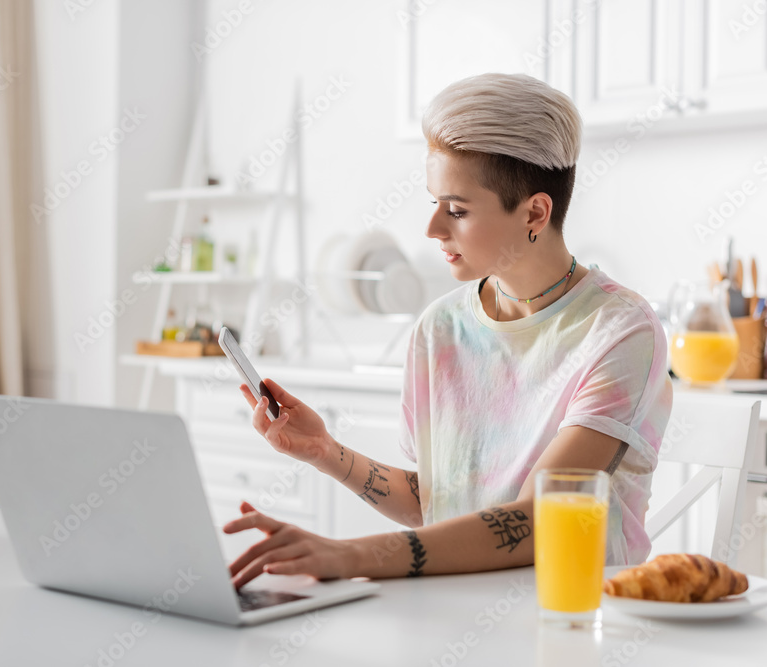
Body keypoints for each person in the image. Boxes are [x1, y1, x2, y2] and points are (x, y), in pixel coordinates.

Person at [224, 73, 673, 590]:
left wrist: (349, 556)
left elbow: (535, 522)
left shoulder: (619, 331)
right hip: (450, 608)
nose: (434, 229)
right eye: (434, 204)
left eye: (457, 210)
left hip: (574, 618)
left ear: (535, 212)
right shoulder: (439, 328)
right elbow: (436, 501)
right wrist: (328, 452)